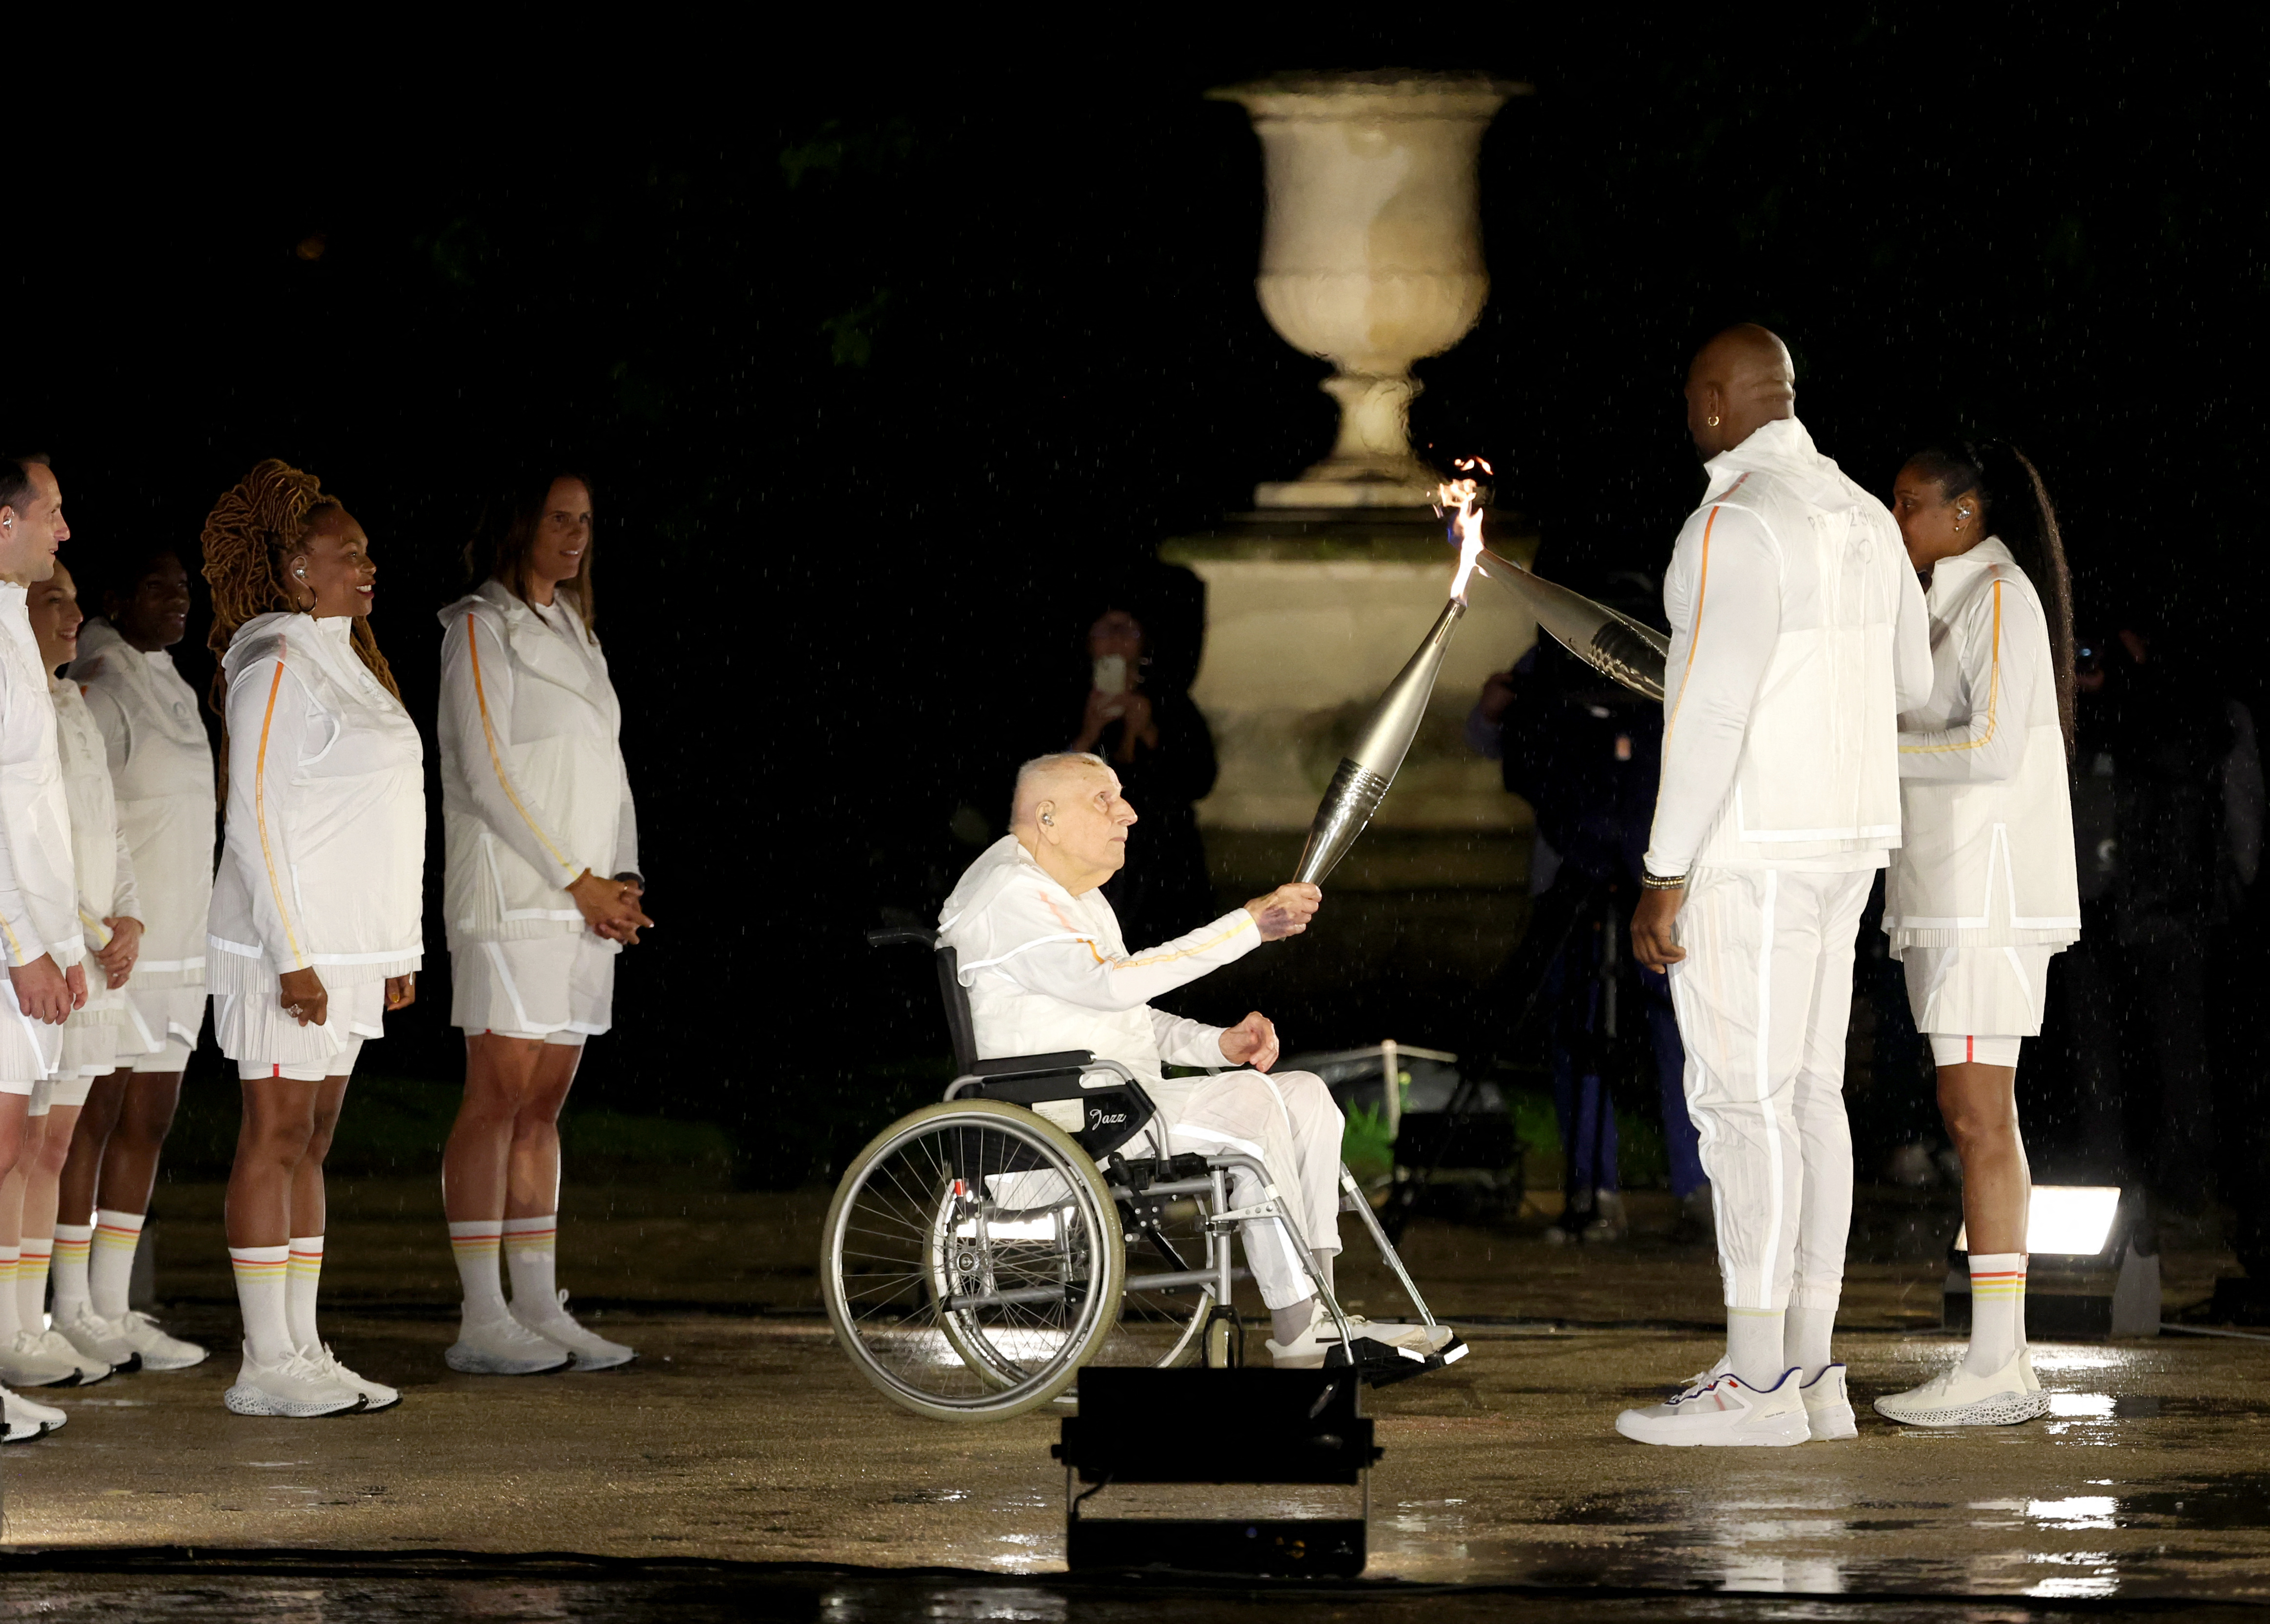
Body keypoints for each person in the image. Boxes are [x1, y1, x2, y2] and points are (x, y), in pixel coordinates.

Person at [1616, 326, 1931, 1448]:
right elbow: (1912, 679)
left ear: (1712, 400)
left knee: (1740, 1103)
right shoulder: (1856, 511)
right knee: (1805, 1097)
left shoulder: (1733, 519)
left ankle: (1756, 1387)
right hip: (1847, 839)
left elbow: (1708, 714)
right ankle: (1806, 1372)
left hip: (1752, 850)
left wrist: (1664, 870)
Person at [939, 751, 1457, 1367]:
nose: (1127, 813)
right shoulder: (1011, 894)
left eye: (1121, 797)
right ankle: (1300, 1329)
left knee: (1305, 1096)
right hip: (1057, 1121)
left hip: (1110, 1102)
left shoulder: (1069, 895)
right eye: (1103, 799)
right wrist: (1248, 926)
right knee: (1250, 1105)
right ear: (1046, 818)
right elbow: (1114, 985)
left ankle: (1316, 1313)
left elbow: (1121, 1012)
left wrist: (1217, 1045)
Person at [201, 460, 423, 1418]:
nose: (366, 566)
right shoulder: (274, 659)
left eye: (368, 551)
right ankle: (264, 1361)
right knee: (277, 1130)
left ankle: (302, 1346)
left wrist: (396, 949)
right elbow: (251, 813)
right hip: (282, 950)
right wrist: (291, 952)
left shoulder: (347, 658)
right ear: (297, 568)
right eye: (347, 553)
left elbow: (388, 814)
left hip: (350, 952)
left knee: (316, 1139)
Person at [1870, 442, 2081, 1427]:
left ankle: (1998, 1362)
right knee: (1976, 1114)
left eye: (1910, 504)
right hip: (1949, 893)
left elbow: (1991, 748)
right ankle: (1998, 1356)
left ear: (1964, 512)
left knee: (1976, 1116)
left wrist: (1871, 750)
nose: (1895, 518)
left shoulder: (1995, 592)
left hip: (1981, 899)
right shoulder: (1951, 597)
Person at [436, 474, 649, 1376]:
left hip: (586, 905)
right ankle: (480, 1315)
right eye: (560, 519)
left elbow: (608, 765)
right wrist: (576, 878)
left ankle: (535, 1299)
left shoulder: (576, 631)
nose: (576, 535)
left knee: (543, 1105)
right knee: (499, 1095)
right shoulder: (480, 628)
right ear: (520, 523)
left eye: (587, 522)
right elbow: (486, 773)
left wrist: (624, 877)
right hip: (517, 898)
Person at [1475, 566, 1710, 1245]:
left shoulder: (1664, 652)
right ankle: (1593, 1189)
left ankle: (1696, 1189)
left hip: (1656, 876)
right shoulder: (1550, 656)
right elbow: (1509, 743)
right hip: (1577, 879)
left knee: (1681, 1031)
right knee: (1580, 1027)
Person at [51, 544, 213, 1374]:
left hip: (183, 944)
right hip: (121, 945)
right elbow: (86, 820)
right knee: (93, 1120)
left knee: (146, 1123)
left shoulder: (174, 682)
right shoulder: (103, 679)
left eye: (185, 589)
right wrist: (107, 920)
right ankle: (70, 1304)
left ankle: (115, 1303)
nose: (179, 601)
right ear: (119, 596)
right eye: (160, 586)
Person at [4, 562, 141, 1394]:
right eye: (52, 599)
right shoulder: (22, 705)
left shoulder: (73, 705)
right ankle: (12, 1327)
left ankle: (29, 1319)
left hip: (88, 955)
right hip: (49, 952)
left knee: (50, 1146)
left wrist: (127, 918)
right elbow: (30, 844)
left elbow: (108, 832)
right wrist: (75, 931)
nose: (75, 613)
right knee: (21, 1142)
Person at [0, 457, 88, 1442]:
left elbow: (38, 807)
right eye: (53, 513)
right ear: (5, 519)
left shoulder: (12, 626)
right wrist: (25, 943)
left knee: (17, 1148)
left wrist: (61, 944)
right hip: (0, 941)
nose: (64, 530)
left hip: (26, 941)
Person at [1067, 605, 1217, 952]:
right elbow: (1033, 783)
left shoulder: (1170, 701)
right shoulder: (1067, 699)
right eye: (1106, 631)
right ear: (1088, 642)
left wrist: (1150, 732)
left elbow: (1200, 779)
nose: (1117, 642)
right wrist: (1087, 734)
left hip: (1161, 862)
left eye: (1127, 631)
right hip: (1083, 856)